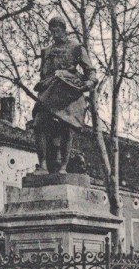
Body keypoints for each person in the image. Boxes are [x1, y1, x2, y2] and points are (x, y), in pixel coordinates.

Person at [31, 16, 97, 174]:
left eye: (57, 29)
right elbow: (43, 74)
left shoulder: (76, 47)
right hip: (50, 91)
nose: (55, 33)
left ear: (64, 29)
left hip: (69, 92)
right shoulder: (47, 51)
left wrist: (89, 83)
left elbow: (91, 72)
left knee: (66, 128)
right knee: (39, 124)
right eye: (52, 30)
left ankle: (63, 167)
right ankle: (43, 166)